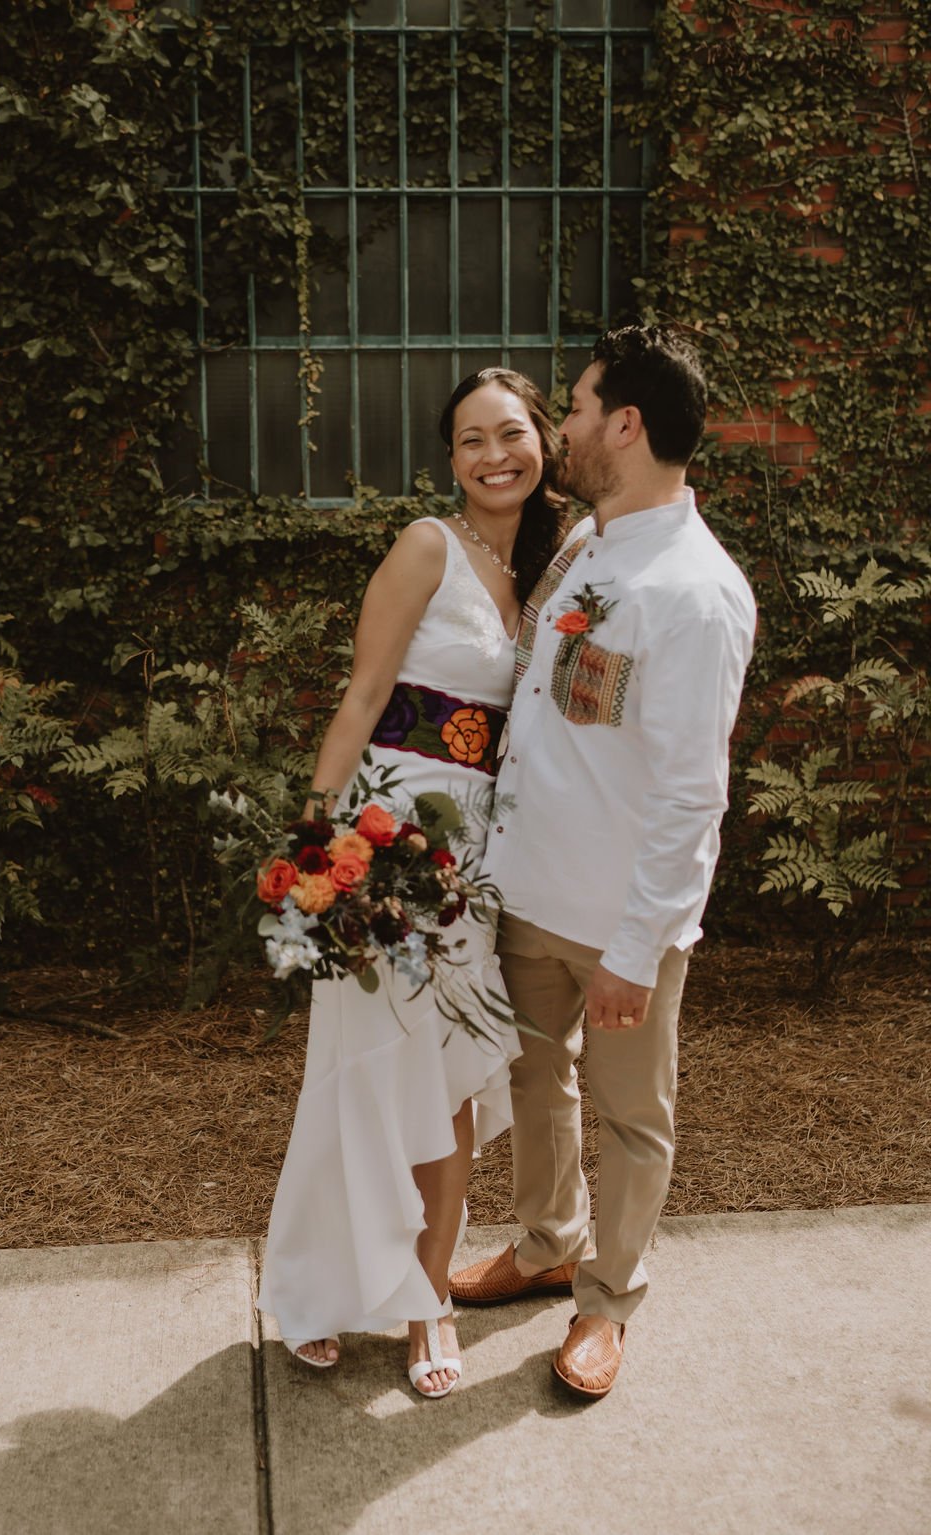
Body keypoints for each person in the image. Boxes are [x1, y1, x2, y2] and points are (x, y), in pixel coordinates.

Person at [449, 325, 757, 1400]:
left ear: (625, 423)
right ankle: (543, 1245)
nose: (560, 427)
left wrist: (636, 946)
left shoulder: (696, 591)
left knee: (632, 1117)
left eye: (575, 407)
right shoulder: (584, 543)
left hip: (621, 921)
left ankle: (606, 1301)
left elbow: (689, 795)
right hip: (529, 891)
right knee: (538, 1081)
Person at [257, 368, 566, 1398]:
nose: (494, 455)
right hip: (388, 824)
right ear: (450, 459)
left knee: (449, 1070)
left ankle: (428, 1292)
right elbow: (363, 693)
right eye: (471, 439)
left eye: (511, 432)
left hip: (476, 848)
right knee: (365, 1061)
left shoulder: (549, 566)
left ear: (542, 441)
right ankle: (319, 1287)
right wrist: (315, 835)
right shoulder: (426, 545)